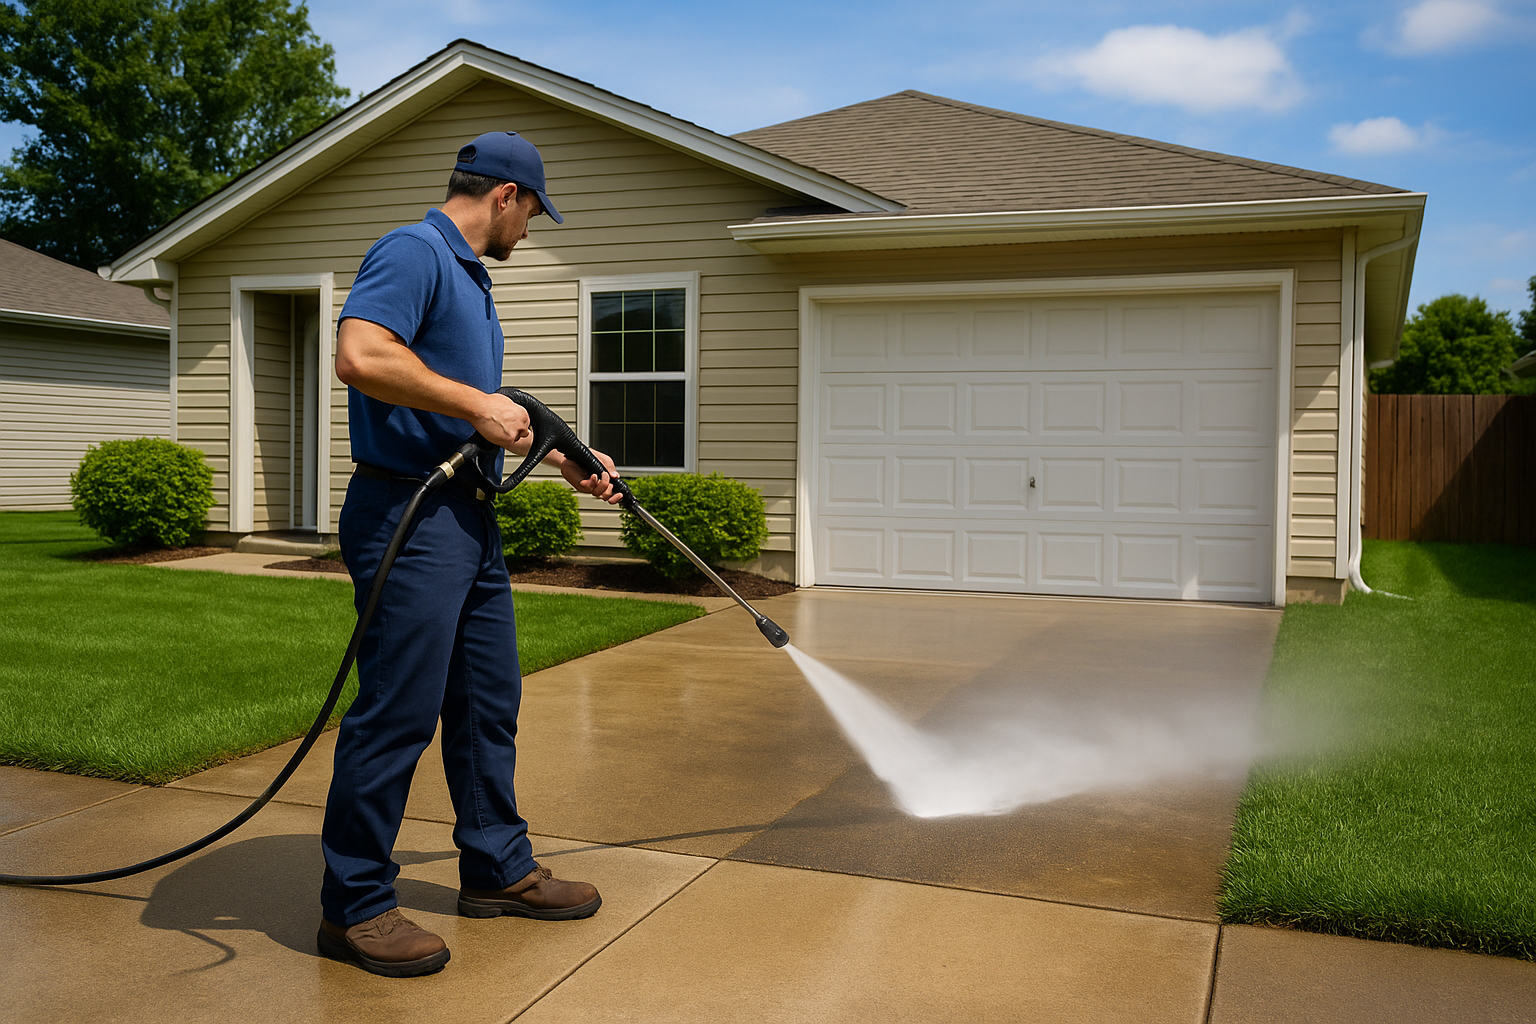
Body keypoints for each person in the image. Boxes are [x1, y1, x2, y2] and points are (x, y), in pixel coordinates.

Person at [316, 131, 623, 978]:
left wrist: (566, 458)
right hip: (407, 515)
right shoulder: (414, 252)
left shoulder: (468, 277)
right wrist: (474, 404)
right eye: (532, 213)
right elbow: (362, 353)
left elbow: (483, 408)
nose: (530, 230)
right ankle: (357, 906)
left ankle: (497, 867)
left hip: (467, 516)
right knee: (399, 711)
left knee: (488, 699)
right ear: (505, 197)